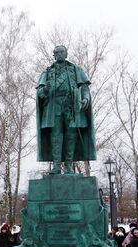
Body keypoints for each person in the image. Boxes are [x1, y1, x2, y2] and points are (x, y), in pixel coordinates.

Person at [36, 45, 96, 174]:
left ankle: (69, 166)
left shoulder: (75, 70)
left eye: (62, 52)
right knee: (56, 137)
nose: (59, 54)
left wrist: (85, 98)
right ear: (54, 55)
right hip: (54, 108)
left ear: (66, 53)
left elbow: (84, 87)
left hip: (72, 107)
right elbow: (40, 92)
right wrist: (45, 89)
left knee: (71, 136)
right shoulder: (47, 72)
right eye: (56, 52)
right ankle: (57, 166)